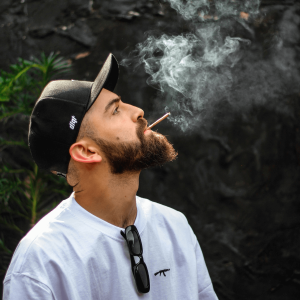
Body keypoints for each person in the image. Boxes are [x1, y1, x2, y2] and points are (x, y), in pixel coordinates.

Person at [3, 54, 218, 300]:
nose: (138, 111)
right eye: (115, 110)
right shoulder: (41, 262)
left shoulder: (174, 225)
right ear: (86, 151)